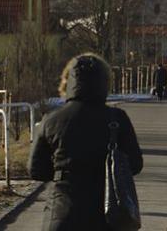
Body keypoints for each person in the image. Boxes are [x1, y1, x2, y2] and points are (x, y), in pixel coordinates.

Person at [30, 53, 143, 230]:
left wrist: (61, 171)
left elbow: (36, 170)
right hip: (108, 216)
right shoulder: (117, 119)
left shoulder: (51, 120)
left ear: (68, 83)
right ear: (104, 83)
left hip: (62, 213)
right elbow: (135, 164)